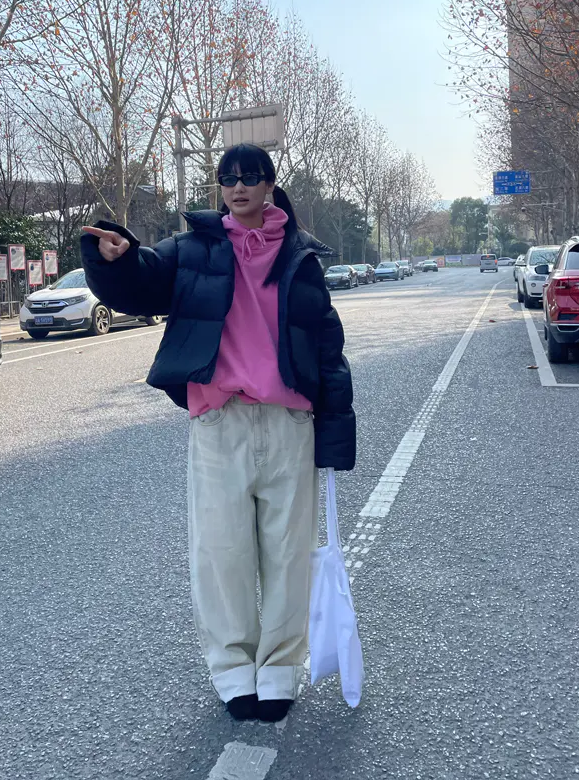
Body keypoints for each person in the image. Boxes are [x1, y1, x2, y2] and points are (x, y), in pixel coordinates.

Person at [81, 142, 356, 723]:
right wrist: (116, 261)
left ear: (270, 184)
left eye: (250, 176)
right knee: (221, 555)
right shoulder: (194, 248)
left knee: (287, 555)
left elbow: (327, 349)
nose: (238, 186)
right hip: (218, 422)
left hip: (289, 423)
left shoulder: (301, 255)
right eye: (228, 177)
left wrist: (335, 435)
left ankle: (279, 670)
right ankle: (233, 671)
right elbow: (142, 283)